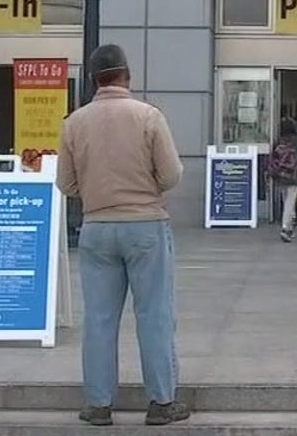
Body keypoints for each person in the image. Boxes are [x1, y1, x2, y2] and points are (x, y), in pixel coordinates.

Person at [55, 44, 189, 427]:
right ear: (126, 75)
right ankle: (161, 402)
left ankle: (98, 404)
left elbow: (66, 183)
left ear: (95, 80)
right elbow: (171, 174)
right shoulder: (148, 117)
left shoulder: (74, 123)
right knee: (155, 315)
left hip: (97, 227)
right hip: (146, 224)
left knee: (99, 318)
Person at [272, 117, 297, 242]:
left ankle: (289, 226)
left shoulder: (278, 142)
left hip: (280, 176)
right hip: (294, 176)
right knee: (290, 202)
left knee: (286, 201)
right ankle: (286, 228)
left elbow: (272, 159)